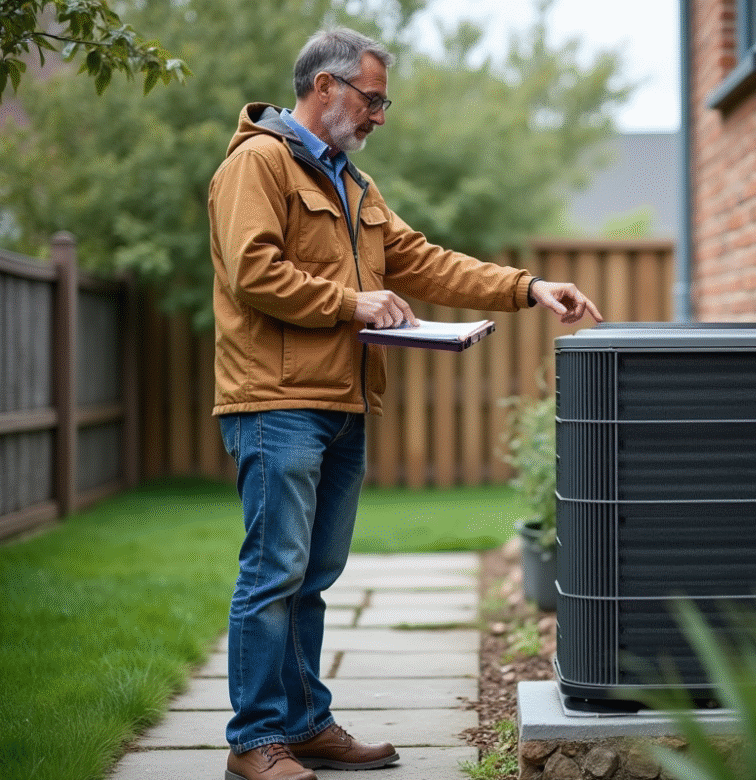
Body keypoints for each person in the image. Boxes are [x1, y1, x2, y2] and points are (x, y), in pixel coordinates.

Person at [207, 26, 602, 780]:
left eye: (384, 102)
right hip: (275, 402)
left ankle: (305, 722)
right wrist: (352, 304)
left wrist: (527, 286)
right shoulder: (257, 165)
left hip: (343, 401)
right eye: (373, 98)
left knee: (314, 574)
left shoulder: (352, 183)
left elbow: (423, 260)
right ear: (325, 87)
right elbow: (252, 273)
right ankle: (254, 740)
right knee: (273, 573)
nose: (380, 115)